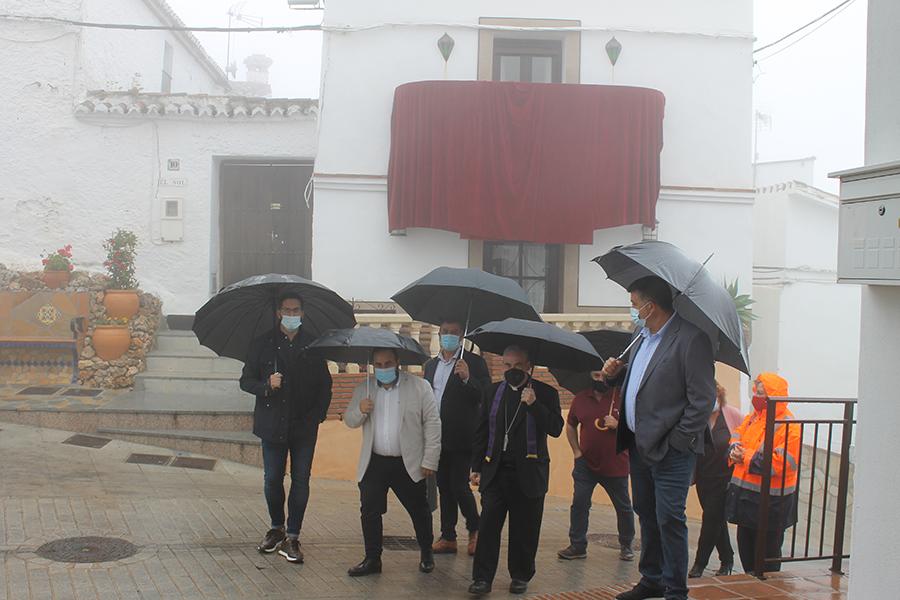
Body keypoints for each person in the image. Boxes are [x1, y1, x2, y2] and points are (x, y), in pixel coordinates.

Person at [601, 276, 716, 600]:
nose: (633, 311)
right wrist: (616, 375)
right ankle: (651, 579)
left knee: (670, 519)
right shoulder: (640, 336)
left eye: (635, 304)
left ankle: (675, 589)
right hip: (639, 445)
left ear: (651, 307)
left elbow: (702, 401)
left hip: (672, 451)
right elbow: (644, 382)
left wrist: (677, 442)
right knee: (647, 514)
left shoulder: (691, 340)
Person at [239, 291, 333, 564]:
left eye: (296, 310)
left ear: (302, 313)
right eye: (287, 310)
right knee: (272, 479)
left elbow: (325, 386)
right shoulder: (262, 344)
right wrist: (267, 386)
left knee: (301, 480)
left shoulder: (314, 344)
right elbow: (246, 381)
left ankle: (293, 535)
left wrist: (317, 416)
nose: (291, 315)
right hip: (272, 424)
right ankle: (276, 527)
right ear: (278, 312)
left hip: (304, 426)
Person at [468, 346, 564, 596]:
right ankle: (482, 578)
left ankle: (521, 575)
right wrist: (476, 466)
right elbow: (481, 431)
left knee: (525, 529)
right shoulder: (492, 392)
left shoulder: (545, 393)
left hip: (529, 473)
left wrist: (534, 405)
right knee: (488, 527)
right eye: (507, 366)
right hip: (496, 471)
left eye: (517, 366)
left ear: (529, 365)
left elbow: (555, 428)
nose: (511, 371)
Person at [343, 348, 442, 576]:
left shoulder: (419, 387)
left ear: (398, 362)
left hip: (407, 462)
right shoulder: (364, 389)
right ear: (372, 365)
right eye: (378, 364)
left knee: (419, 509)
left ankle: (426, 552)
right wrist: (360, 410)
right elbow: (350, 420)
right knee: (369, 510)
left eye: (388, 363)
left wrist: (430, 459)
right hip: (374, 462)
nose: (383, 368)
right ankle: (372, 558)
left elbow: (433, 424)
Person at [424, 318, 491, 557]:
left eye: (454, 332)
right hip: (437, 436)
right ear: (438, 334)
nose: (448, 336)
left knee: (459, 486)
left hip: (463, 436)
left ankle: (476, 529)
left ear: (462, 336)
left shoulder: (474, 363)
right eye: (444, 332)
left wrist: (467, 379)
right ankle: (448, 536)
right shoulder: (431, 365)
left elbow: (484, 396)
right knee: (444, 486)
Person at [557, 371, 635, 562]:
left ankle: (626, 544)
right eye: (596, 375)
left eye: (604, 375)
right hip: (586, 465)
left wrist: (618, 425)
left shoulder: (623, 397)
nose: (600, 379)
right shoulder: (581, 398)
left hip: (616, 464)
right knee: (580, 504)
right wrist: (576, 451)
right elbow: (570, 425)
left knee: (623, 507)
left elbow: (637, 427)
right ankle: (577, 545)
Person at [726, 373, 800, 574]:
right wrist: (734, 450)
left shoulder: (789, 426)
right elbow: (736, 435)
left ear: (773, 397)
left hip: (771, 504)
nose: (756, 397)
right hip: (746, 499)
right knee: (746, 551)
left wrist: (746, 457)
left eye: (761, 394)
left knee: (767, 560)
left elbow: (781, 463)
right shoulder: (753, 418)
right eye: (756, 392)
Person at [688, 381, 743, 578]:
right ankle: (727, 559)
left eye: (714, 396)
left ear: (719, 396)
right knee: (716, 520)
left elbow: (743, 438)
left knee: (710, 518)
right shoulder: (698, 417)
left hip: (725, 479)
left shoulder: (732, 415)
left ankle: (699, 565)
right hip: (704, 478)